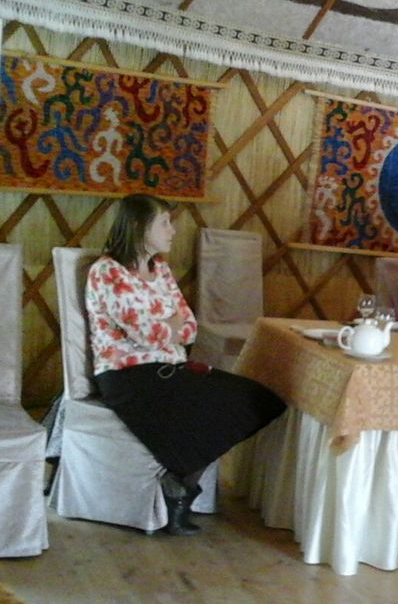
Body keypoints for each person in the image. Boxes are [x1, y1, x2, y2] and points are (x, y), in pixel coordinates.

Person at [86, 194, 285, 536]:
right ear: (139, 226)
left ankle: (177, 479)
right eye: (164, 222)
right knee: (216, 404)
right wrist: (168, 327)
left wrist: (168, 328)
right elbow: (147, 333)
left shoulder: (160, 269)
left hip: (170, 369)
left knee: (259, 399)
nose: (173, 230)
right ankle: (181, 494)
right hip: (128, 377)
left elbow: (190, 326)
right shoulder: (108, 272)